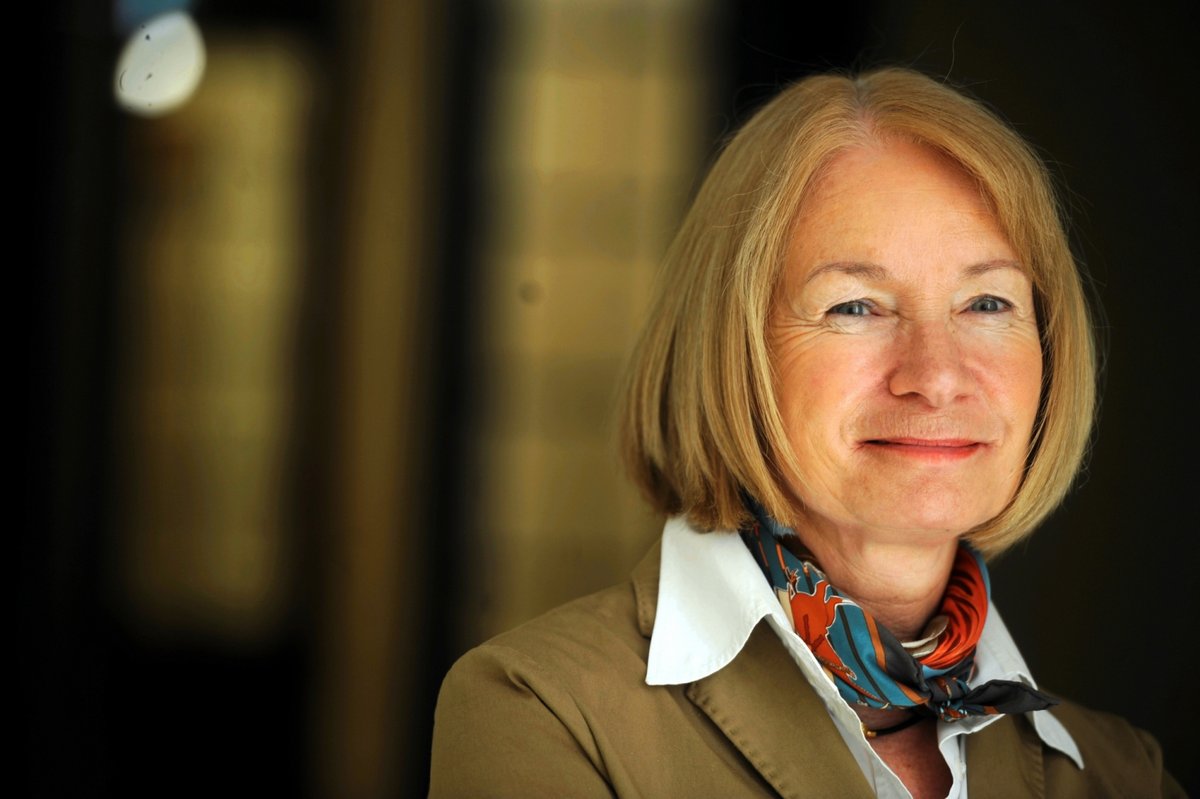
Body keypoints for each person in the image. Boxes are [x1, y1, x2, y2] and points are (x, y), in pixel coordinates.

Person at [428, 67, 1181, 798]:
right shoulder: (545, 712)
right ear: (730, 347)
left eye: (987, 303)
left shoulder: (1121, 771)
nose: (938, 373)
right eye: (855, 306)